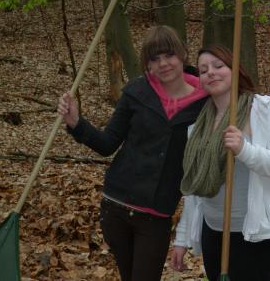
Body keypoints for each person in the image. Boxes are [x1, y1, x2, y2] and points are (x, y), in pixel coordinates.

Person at [57, 25, 207, 281]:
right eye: (154, 58)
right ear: (147, 64)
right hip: (116, 205)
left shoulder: (205, 103)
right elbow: (107, 144)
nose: (163, 64)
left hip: (156, 214)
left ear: (182, 54)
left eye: (169, 55)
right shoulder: (136, 92)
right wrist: (76, 123)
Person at [170, 44, 270, 281]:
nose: (210, 72)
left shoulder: (263, 112)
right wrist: (182, 238)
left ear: (235, 70)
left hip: (258, 235)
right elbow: (195, 188)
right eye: (203, 70)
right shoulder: (198, 124)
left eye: (218, 66)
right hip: (214, 233)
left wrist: (245, 150)